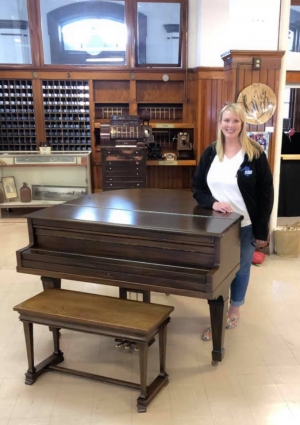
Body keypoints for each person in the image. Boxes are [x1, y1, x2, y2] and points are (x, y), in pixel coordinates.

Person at [192, 103, 274, 341]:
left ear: (242, 124)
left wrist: (261, 230)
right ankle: (218, 312)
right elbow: (197, 187)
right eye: (226, 120)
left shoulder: (255, 154)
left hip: (245, 226)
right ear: (220, 123)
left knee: (241, 270)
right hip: (215, 228)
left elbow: (266, 194)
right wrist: (213, 203)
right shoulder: (210, 153)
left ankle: (234, 309)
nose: (230, 125)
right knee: (217, 273)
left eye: (235, 121)